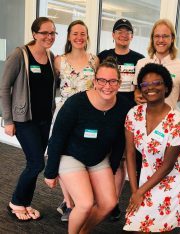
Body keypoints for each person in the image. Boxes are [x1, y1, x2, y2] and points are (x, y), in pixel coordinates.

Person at [44, 57, 131, 234]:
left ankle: (83, 231)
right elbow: (57, 138)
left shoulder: (124, 106)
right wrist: (50, 172)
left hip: (98, 158)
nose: (107, 86)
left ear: (119, 83)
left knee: (109, 203)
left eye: (113, 81)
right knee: (85, 203)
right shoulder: (76, 103)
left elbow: (120, 141)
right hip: (70, 155)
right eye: (102, 80)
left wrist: (112, 168)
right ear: (94, 81)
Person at [123, 63, 180, 232]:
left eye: (157, 83)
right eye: (145, 85)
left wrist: (140, 192)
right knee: (137, 223)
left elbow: (168, 165)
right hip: (148, 172)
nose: (151, 88)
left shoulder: (178, 120)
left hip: (175, 175)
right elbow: (129, 153)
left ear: (166, 87)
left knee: (161, 225)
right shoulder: (133, 114)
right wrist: (135, 191)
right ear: (140, 89)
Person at [0, 17, 57, 221]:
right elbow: (4, 88)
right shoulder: (20, 54)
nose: (49, 37)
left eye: (52, 33)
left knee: (33, 162)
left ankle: (24, 203)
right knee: (36, 163)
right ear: (34, 34)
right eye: (44, 33)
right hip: (24, 119)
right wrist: (7, 120)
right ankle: (15, 202)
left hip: (44, 119)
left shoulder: (51, 57)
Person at [97, 18, 144, 221]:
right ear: (114, 35)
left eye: (127, 32)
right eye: (119, 31)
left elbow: (141, 87)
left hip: (129, 116)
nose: (123, 35)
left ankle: (114, 203)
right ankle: (102, 198)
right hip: (105, 113)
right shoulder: (103, 56)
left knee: (122, 158)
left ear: (132, 36)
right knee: (103, 157)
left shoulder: (140, 59)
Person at [53, 19, 99, 222]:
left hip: (86, 115)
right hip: (64, 114)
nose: (79, 37)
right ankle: (68, 202)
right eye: (75, 34)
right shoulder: (59, 61)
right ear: (69, 37)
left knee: (80, 154)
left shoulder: (94, 60)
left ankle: (79, 196)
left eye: (83, 33)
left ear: (87, 37)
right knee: (62, 154)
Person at [133, 18, 180, 107]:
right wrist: (136, 95)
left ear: (172, 38)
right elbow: (137, 89)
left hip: (168, 119)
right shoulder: (141, 63)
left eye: (165, 36)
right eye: (157, 36)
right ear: (152, 38)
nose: (161, 40)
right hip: (144, 118)